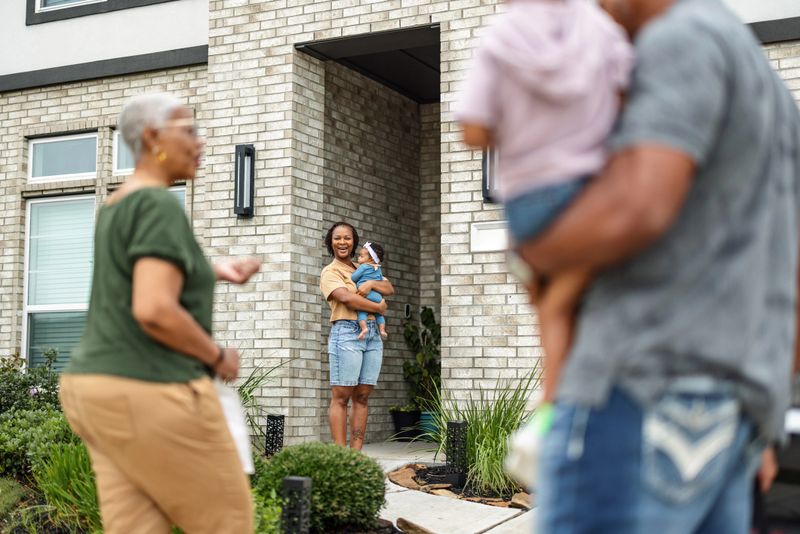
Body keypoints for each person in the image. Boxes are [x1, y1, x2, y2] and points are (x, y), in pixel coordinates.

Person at [512, 0, 800, 532]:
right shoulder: (773, 93)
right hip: (733, 409)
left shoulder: (678, 38)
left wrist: (533, 251)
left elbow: (637, 206)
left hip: (640, 395)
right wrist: (763, 420)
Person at [59, 93, 260, 534]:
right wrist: (215, 356)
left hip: (94, 390)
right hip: (150, 389)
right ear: (152, 138)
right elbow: (153, 308)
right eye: (189, 130)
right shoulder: (159, 203)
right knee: (227, 522)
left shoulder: (118, 205)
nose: (200, 142)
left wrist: (216, 271)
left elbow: (139, 278)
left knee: (138, 527)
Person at [456, 0, 633, 406]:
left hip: (530, 198)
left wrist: (524, 132)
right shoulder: (600, 28)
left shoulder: (501, 34)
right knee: (577, 302)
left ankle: (555, 403)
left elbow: (473, 130)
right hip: (594, 194)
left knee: (551, 308)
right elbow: (626, 98)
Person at [320, 222, 394, 449]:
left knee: (362, 396)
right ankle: (342, 457)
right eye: (337, 238)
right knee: (342, 395)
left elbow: (389, 288)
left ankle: (356, 455)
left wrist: (372, 283)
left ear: (354, 242)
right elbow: (347, 298)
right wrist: (379, 308)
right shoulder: (330, 271)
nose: (342, 242)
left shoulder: (365, 266)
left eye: (347, 238)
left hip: (372, 335)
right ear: (330, 243)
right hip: (347, 332)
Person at [351, 241, 389, 340]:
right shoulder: (378, 269)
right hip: (377, 297)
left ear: (371, 258)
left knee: (362, 311)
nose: (358, 258)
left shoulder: (363, 267)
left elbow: (354, 277)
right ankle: (382, 330)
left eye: (361, 256)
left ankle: (364, 329)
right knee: (379, 314)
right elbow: (381, 279)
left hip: (366, 295)